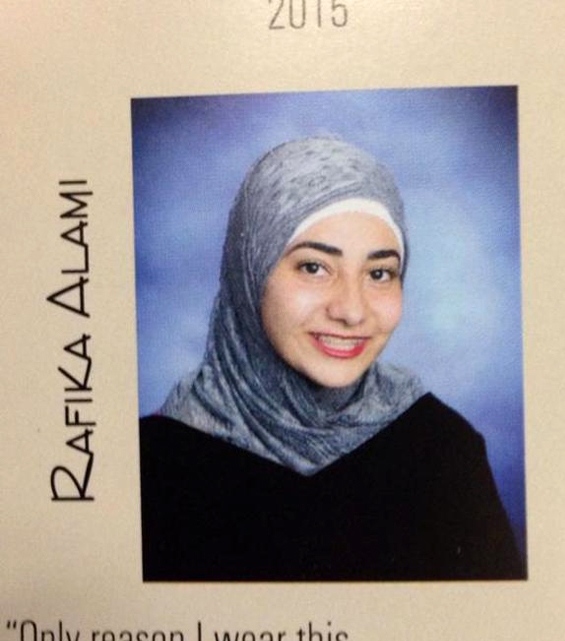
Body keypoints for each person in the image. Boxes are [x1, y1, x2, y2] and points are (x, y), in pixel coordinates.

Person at [140, 136, 524, 581]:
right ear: (249, 272)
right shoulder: (155, 463)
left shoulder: (445, 451)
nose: (352, 311)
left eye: (379, 273)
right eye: (314, 267)